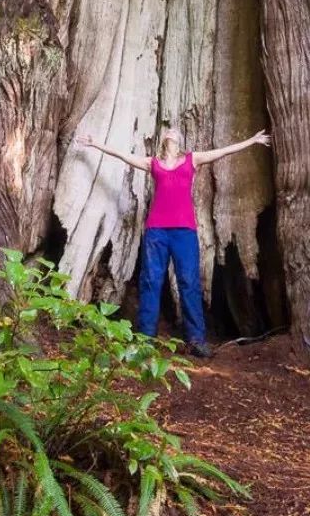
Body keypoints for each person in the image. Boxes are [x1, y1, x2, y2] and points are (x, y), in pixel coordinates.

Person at [77, 123, 272, 357]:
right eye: (168, 130)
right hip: (156, 231)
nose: (171, 131)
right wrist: (95, 143)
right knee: (151, 281)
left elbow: (223, 151)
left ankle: (196, 340)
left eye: (175, 131)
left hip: (184, 231)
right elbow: (122, 155)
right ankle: (146, 339)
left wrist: (252, 140)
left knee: (189, 282)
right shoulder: (153, 163)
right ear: (163, 139)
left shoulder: (192, 159)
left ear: (180, 139)